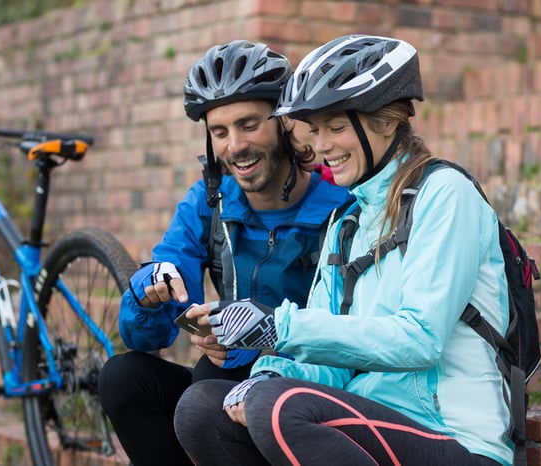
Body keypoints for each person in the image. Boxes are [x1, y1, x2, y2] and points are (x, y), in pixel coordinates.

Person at [174, 34, 513, 466]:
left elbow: (420, 340)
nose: (321, 145)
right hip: (369, 424)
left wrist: (281, 328)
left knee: (278, 406)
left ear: (386, 123)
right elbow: (330, 364)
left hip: (454, 438)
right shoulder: (346, 222)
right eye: (315, 130)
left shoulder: (445, 195)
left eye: (335, 127)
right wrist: (272, 370)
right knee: (202, 407)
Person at [96, 39, 352, 466]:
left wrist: (261, 343)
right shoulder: (208, 203)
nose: (235, 145)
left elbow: (354, 334)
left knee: (210, 379)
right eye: (220, 132)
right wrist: (150, 291)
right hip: (223, 385)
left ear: (284, 124)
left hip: (312, 388)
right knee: (124, 378)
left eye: (249, 124)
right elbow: (148, 335)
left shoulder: (341, 206)